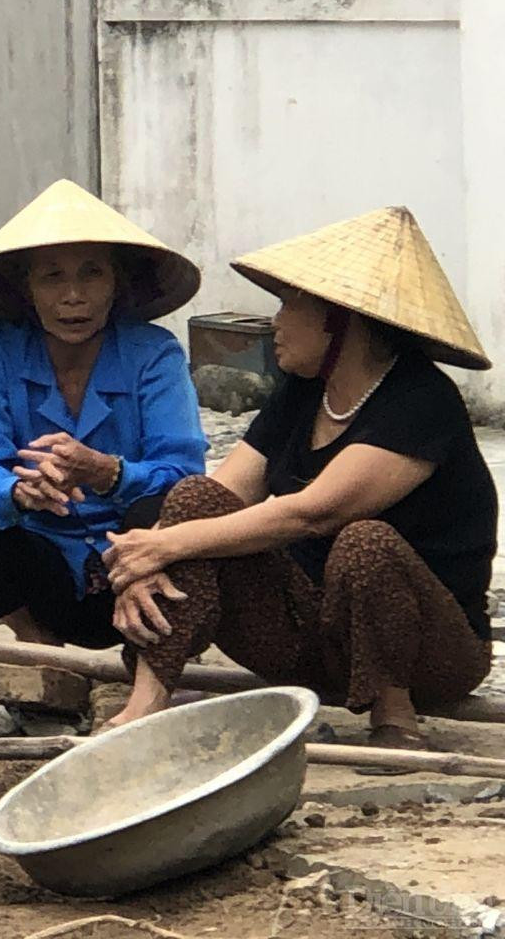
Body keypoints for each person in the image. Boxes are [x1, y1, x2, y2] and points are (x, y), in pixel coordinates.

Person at [103, 207, 496, 749]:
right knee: (194, 498)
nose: (275, 323)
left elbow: (315, 512)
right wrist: (150, 557)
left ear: (340, 319)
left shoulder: (420, 400)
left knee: (365, 544)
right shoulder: (303, 392)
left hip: (431, 652)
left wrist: (162, 544)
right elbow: (223, 498)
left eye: (289, 305)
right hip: (315, 637)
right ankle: (148, 697)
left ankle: (395, 716)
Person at [0, 180, 208, 649]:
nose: (73, 296)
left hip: (134, 565)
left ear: (116, 283)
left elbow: (184, 472)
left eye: (92, 274)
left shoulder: (153, 352)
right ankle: (40, 647)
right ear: (28, 289)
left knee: (172, 508)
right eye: (52, 277)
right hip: (45, 569)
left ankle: (152, 659)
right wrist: (18, 492)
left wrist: (109, 473)